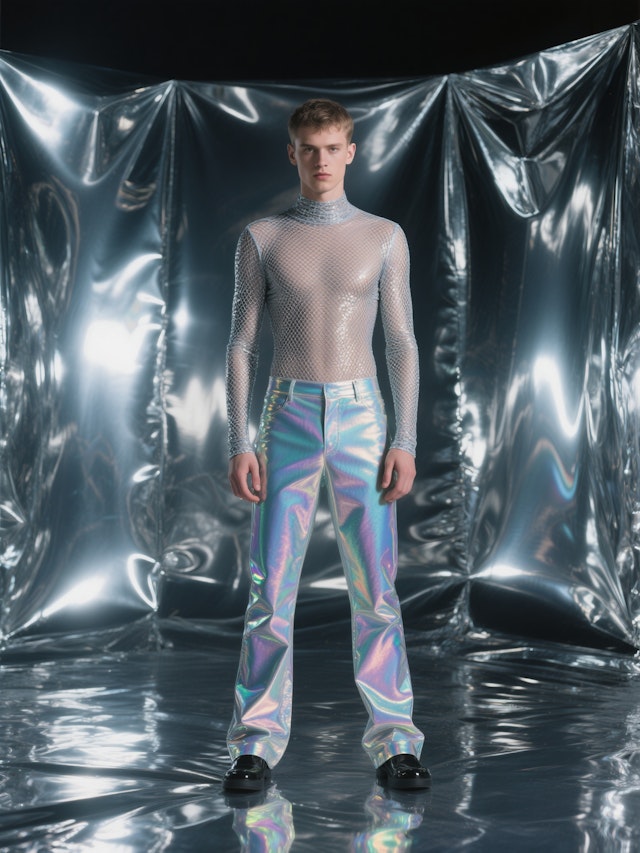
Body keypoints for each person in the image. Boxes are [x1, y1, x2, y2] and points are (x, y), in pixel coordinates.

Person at [223, 98, 430, 792]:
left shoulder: (383, 236)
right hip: (286, 413)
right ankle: (254, 742)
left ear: (351, 151)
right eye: (309, 148)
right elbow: (241, 343)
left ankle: (396, 740)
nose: (321, 160)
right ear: (292, 153)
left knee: (376, 586)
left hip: (361, 416)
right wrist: (238, 438)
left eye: (333, 147)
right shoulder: (263, 237)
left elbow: (401, 341)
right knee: (270, 585)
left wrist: (404, 437)